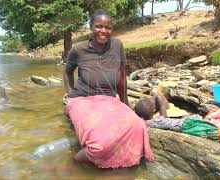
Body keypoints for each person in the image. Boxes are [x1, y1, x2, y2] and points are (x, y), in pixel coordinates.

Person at [63, 9, 154, 168]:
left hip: (109, 99)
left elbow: (121, 77)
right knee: (99, 142)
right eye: (99, 26)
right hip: (83, 100)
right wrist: (70, 94)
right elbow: (67, 72)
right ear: (91, 27)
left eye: (108, 27)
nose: (103, 31)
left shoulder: (117, 45)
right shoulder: (78, 48)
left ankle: (122, 164)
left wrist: (126, 104)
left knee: (138, 126)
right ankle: (74, 163)